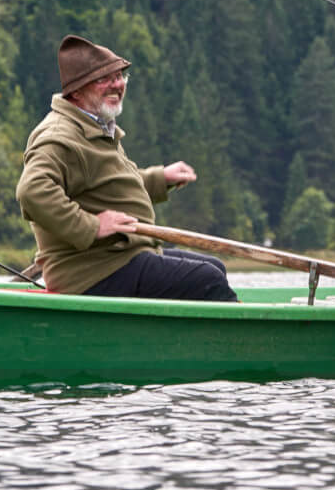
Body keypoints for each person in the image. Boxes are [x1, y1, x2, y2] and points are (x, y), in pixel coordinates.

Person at [16, 34, 238, 302]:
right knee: (207, 279)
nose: (117, 84)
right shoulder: (59, 135)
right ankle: (244, 342)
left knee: (216, 268)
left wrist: (160, 178)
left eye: (120, 76)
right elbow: (32, 191)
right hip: (92, 271)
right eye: (104, 79)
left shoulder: (96, 125)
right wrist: (91, 226)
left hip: (120, 257)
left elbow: (109, 185)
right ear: (76, 91)